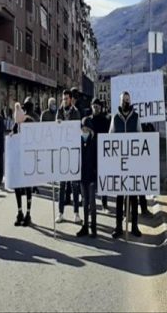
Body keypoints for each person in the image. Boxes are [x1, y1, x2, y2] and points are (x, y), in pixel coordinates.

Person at [110, 91, 141, 238]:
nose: (126, 102)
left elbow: (140, 137)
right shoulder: (115, 118)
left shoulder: (136, 117)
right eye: (124, 100)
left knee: (133, 196)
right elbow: (110, 137)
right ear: (120, 101)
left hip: (133, 162)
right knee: (120, 196)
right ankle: (118, 227)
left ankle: (134, 226)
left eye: (128, 100)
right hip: (119, 162)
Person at [56, 89, 82, 224]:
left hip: (72, 151)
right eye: (63, 98)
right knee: (62, 185)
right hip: (62, 152)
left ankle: (76, 213)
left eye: (66, 98)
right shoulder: (59, 112)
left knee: (75, 185)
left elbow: (76, 130)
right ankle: (60, 213)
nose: (64, 101)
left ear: (71, 99)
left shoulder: (76, 112)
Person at [11, 106, 35, 227]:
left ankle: (28, 213)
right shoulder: (16, 125)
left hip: (28, 161)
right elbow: (13, 136)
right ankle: (19, 211)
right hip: (18, 161)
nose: (18, 123)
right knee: (17, 187)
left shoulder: (29, 122)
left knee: (28, 187)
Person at [87, 99, 112, 211]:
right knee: (91, 180)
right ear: (91, 107)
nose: (95, 108)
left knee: (103, 180)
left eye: (97, 106)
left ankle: (104, 204)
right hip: (91, 154)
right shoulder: (88, 120)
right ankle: (90, 203)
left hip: (102, 153)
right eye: (94, 106)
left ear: (100, 107)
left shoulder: (105, 120)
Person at [77, 116, 99, 237]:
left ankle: (93, 227)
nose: (84, 132)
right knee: (84, 202)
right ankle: (85, 226)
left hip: (91, 177)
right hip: (82, 177)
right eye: (82, 129)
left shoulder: (94, 143)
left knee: (92, 203)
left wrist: (95, 177)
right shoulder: (78, 142)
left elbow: (96, 161)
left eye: (86, 129)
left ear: (90, 131)